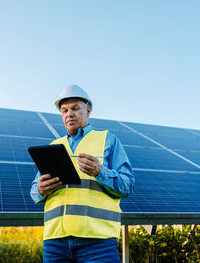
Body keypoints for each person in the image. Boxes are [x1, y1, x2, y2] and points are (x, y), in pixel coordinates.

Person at [30, 84, 135, 262]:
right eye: (64, 110)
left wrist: (100, 172)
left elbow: (127, 186)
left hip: (98, 243)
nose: (69, 114)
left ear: (88, 110)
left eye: (75, 108)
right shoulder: (52, 147)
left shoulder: (108, 141)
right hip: (55, 243)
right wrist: (41, 189)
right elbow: (34, 193)